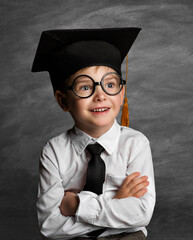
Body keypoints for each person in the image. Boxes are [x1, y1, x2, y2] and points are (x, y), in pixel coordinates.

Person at [31, 28, 155, 240]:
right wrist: (117, 203)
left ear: (122, 92)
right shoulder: (54, 151)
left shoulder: (135, 144)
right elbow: (50, 225)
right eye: (85, 88)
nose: (101, 95)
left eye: (109, 84)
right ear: (63, 101)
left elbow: (141, 214)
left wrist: (76, 204)